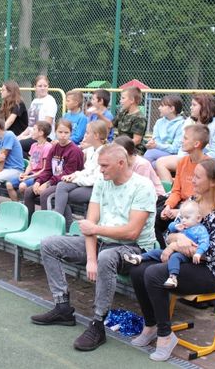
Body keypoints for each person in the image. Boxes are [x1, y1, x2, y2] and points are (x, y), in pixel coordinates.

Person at [30, 144, 156, 352]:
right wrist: (90, 259)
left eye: (105, 165)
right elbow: (89, 224)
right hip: (102, 243)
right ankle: (62, 307)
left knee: (106, 257)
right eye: (99, 165)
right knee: (49, 244)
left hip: (133, 249)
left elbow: (132, 232)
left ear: (121, 163)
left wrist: (96, 232)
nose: (101, 170)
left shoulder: (143, 186)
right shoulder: (102, 182)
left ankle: (98, 324)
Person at [129, 158, 215, 361]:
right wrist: (177, 240)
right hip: (182, 260)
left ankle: (165, 336)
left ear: (213, 182)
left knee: (154, 273)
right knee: (138, 269)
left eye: (197, 177)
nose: (192, 180)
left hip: (211, 271)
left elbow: (211, 253)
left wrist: (176, 244)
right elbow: (168, 234)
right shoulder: (194, 199)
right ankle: (151, 325)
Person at [124, 199, 209, 288]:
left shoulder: (200, 230)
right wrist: (175, 226)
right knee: (156, 252)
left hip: (185, 255)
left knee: (175, 257)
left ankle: (173, 277)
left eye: (187, 218)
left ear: (198, 218)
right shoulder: (183, 225)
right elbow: (170, 228)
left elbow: (204, 242)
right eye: (182, 217)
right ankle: (139, 257)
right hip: (174, 250)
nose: (183, 220)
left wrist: (198, 253)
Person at [155, 124, 209, 247]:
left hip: (195, 209)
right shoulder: (183, 162)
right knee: (155, 217)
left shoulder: (208, 166)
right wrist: (168, 206)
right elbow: (176, 190)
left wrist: (180, 212)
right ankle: (162, 249)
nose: (181, 141)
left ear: (196, 144)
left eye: (185, 138)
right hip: (180, 204)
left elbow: (205, 200)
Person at [156, 93, 215, 182]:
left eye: (194, 105)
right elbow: (183, 145)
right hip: (188, 157)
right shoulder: (189, 121)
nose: (190, 107)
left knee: (199, 168)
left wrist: (197, 162)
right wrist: (185, 161)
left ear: (204, 106)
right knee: (160, 162)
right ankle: (171, 190)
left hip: (209, 160)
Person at [23, 119, 84, 221]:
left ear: (71, 133)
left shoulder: (74, 151)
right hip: (54, 180)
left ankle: (46, 223)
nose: (63, 135)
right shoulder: (54, 148)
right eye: (60, 132)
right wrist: (39, 181)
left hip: (66, 183)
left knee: (45, 194)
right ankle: (29, 222)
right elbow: (47, 170)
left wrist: (47, 184)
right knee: (29, 191)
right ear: (55, 132)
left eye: (66, 132)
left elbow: (67, 174)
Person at [53, 120, 108, 230]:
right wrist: (74, 175)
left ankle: (59, 225)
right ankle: (64, 225)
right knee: (61, 186)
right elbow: (87, 171)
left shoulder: (104, 152)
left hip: (97, 187)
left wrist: (75, 179)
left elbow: (95, 179)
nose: (85, 135)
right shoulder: (91, 149)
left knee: (63, 195)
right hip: (86, 182)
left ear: (96, 136)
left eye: (87, 132)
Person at [6, 121, 51, 201]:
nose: (31, 132)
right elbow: (30, 164)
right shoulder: (33, 145)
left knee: (22, 186)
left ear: (41, 133)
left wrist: (28, 177)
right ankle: (17, 205)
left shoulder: (48, 147)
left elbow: (44, 169)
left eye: (34, 129)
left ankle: (26, 204)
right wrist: (25, 174)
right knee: (9, 184)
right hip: (31, 174)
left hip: (39, 176)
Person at [18, 75, 57, 154]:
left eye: (45, 86)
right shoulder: (34, 101)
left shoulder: (50, 101)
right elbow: (31, 125)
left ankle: (28, 161)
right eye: (40, 86)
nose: (43, 88)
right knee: (13, 141)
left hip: (44, 137)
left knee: (17, 146)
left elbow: (46, 126)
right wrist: (21, 136)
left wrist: (27, 137)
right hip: (32, 136)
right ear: (35, 87)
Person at [143, 95, 184, 168]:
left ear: (171, 109)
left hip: (174, 154)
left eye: (162, 106)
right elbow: (156, 140)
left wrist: (157, 146)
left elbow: (175, 148)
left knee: (150, 154)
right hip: (159, 151)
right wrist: (153, 144)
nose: (159, 108)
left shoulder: (181, 124)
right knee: (154, 163)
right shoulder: (159, 122)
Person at [108, 86, 147, 155]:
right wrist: (99, 114)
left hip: (133, 150)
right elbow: (110, 125)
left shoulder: (139, 118)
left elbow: (136, 140)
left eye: (123, 98)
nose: (120, 101)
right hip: (119, 146)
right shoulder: (123, 112)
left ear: (132, 100)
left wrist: (118, 147)